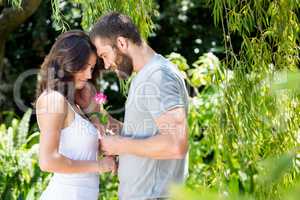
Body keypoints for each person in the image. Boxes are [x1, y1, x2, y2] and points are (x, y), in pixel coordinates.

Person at [79, 12, 189, 200]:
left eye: (104, 55)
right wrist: (96, 113)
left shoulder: (158, 77)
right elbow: (142, 134)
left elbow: (176, 144)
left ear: (121, 43)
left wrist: (120, 145)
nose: (106, 65)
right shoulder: (145, 76)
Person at [35, 30, 116, 200]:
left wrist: (94, 114)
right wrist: (99, 165)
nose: (88, 75)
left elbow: (80, 148)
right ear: (68, 62)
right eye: (84, 67)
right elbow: (48, 161)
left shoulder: (73, 103)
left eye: (92, 68)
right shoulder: (53, 99)